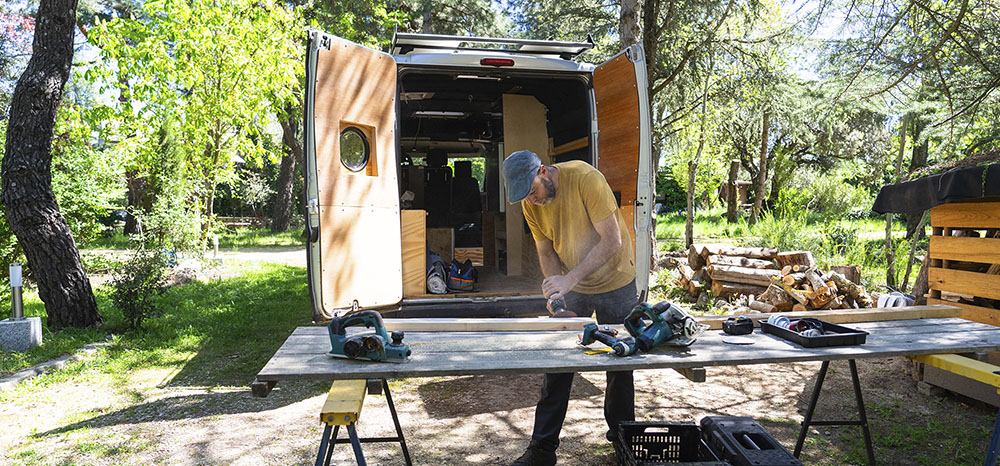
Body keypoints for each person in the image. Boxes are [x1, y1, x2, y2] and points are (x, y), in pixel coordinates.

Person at [502, 150, 639, 466]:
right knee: (558, 365)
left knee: (619, 366)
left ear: (544, 172)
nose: (532, 200)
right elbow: (546, 251)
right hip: (572, 284)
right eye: (526, 197)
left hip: (615, 281)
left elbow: (612, 240)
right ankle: (542, 449)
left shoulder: (585, 178)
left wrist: (570, 278)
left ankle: (623, 442)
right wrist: (556, 292)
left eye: (533, 191)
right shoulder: (530, 203)